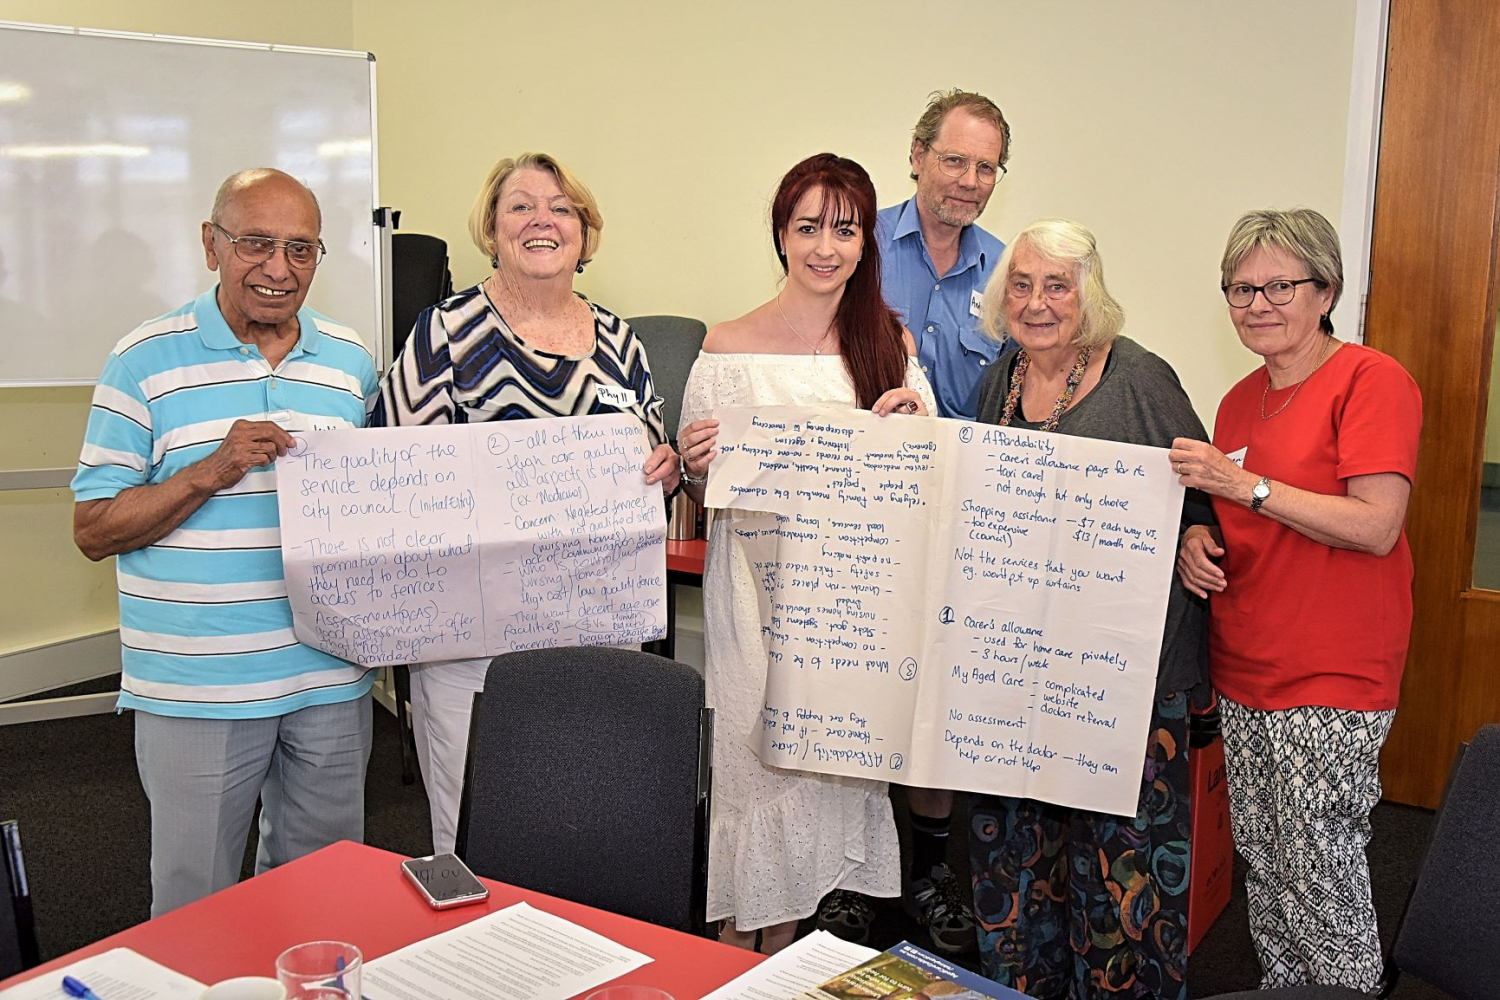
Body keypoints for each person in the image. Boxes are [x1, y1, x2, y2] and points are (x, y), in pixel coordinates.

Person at [71, 168, 379, 916]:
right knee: (195, 902)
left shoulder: (350, 363)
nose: (278, 269)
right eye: (256, 244)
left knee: (326, 897)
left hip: (330, 680)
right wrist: (212, 469)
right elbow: (93, 529)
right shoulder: (142, 360)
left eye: (301, 250)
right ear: (211, 246)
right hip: (199, 688)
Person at [371, 152, 679, 855]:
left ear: (584, 231)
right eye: (521, 205)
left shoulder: (621, 342)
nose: (542, 219)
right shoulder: (442, 334)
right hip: (471, 636)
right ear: (492, 227)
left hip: (594, 625)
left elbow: (651, 454)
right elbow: (394, 475)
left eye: (561, 207)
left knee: (583, 809)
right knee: (473, 819)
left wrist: (663, 469)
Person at [676, 153, 934, 954]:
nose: (827, 246)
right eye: (809, 227)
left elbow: (924, 482)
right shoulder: (725, 346)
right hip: (754, 605)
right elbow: (695, 490)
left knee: (826, 793)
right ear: (782, 235)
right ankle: (734, 960)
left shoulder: (885, 343)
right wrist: (692, 461)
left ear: (866, 243)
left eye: (846, 229)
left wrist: (912, 425)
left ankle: (779, 962)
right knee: (757, 779)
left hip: (849, 610)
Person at [1170, 208, 1421, 992]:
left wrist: (1243, 483)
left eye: (1281, 285)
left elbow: (1376, 526)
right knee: (1269, 871)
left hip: (1334, 675)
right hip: (1244, 665)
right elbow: (1243, 520)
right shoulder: (1241, 400)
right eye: (1240, 289)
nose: (1257, 304)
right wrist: (1197, 540)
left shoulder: (1372, 380)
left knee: (1320, 872)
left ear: (1327, 290)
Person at [968, 219, 1212, 999]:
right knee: (1019, 858)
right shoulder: (999, 378)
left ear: (1089, 295)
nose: (1037, 303)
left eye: (1057, 285)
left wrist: (1195, 533)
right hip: (1021, 665)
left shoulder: (1141, 380)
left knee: (1121, 876)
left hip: (1124, 681)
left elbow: (1206, 490)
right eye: (1022, 283)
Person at [872, 89, 1013, 953]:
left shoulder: (1008, 269)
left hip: (963, 516)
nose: (968, 180)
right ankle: (852, 874)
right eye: (954, 159)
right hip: (866, 513)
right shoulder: (852, 243)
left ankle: (929, 870)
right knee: (855, 687)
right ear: (918, 154)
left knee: (938, 706)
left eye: (986, 166)